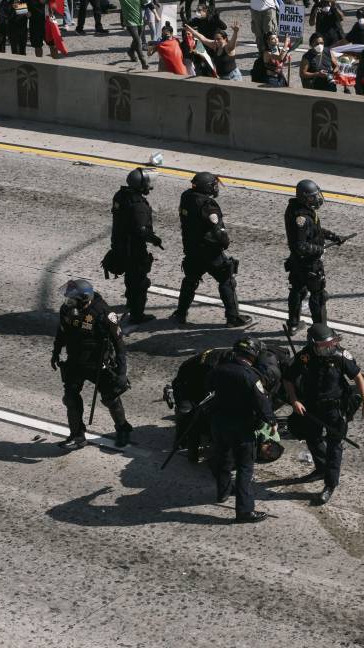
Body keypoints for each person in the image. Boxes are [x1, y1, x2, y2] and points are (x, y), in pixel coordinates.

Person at [283, 323, 364, 505]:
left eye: (329, 344)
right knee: (312, 438)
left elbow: (358, 377)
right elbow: (288, 378)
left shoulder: (340, 355)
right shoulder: (305, 357)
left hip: (335, 408)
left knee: (334, 445)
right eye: (323, 346)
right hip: (311, 406)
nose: (328, 348)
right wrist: (294, 400)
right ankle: (321, 468)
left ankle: (330, 484)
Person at [51, 279, 135, 450]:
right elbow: (62, 331)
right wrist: (56, 351)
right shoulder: (66, 309)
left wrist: (121, 373)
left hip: (98, 364)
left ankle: (123, 428)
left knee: (110, 398)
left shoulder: (103, 314)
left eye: (71, 299)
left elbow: (119, 345)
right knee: (70, 398)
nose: (67, 302)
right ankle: (77, 436)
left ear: (83, 299)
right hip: (75, 361)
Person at [207, 337, 275, 522]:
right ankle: (245, 511)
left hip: (219, 424)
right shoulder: (250, 375)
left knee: (223, 460)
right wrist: (271, 421)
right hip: (242, 428)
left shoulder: (218, 369)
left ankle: (223, 492)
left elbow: (208, 388)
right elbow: (261, 402)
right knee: (245, 468)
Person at [172, 172, 252, 327]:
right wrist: (225, 242)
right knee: (227, 280)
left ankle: (180, 314)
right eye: (214, 185)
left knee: (190, 280)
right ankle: (233, 318)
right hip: (209, 252)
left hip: (191, 249)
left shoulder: (186, 197)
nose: (216, 188)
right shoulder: (208, 205)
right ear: (207, 187)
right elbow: (217, 230)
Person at [284, 179, 346, 332]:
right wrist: (319, 249)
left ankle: (293, 324)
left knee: (297, 290)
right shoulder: (301, 218)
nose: (316, 199)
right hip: (309, 264)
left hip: (296, 262)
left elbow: (314, 231)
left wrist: (333, 236)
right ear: (303, 198)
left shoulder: (298, 209)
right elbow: (301, 246)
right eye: (312, 197)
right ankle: (321, 331)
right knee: (318, 296)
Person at [110, 168, 163, 325]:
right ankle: (137, 315)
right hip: (133, 248)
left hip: (120, 243)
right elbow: (142, 231)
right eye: (147, 183)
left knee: (130, 277)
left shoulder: (121, 195)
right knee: (140, 282)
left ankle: (130, 302)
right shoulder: (138, 205)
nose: (149, 186)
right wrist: (155, 239)